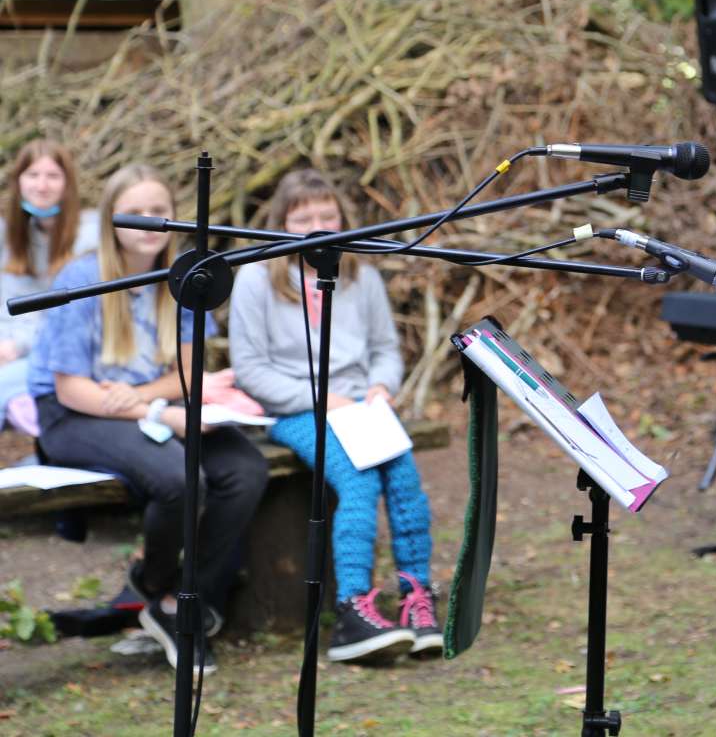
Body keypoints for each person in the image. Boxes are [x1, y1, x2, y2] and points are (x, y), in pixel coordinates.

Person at [28, 164, 270, 676]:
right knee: (180, 478)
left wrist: (144, 399)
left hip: (142, 404)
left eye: (159, 210)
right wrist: (156, 410)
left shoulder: (183, 278)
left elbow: (187, 370)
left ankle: (172, 600)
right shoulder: (83, 278)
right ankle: (162, 590)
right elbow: (71, 388)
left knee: (245, 469)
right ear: (112, 219)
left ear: (174, 217)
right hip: (72, 414)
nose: (148, 221)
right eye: (135, 211)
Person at [229, 168, 440, 663]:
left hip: (362, 407)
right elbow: (252, 371)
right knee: (360, 482)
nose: (319, 225)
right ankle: (353, 608)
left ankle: (417, 597)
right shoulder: (256, 280)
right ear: (281, 223)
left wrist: (381, 387)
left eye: (329, 215)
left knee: (405, 482)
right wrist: (321, 399)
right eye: (305, 218)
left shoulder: (359, 275)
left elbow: (386, 349)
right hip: (297, 409)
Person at [1, 140, 98, 436]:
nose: (41, 186)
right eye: (32, 175)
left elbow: (75, 319)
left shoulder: (90, 238)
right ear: (18, 181)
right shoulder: (11, 235)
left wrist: (17, 346)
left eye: (52, 176)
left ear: (68, 183)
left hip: (64, 354)